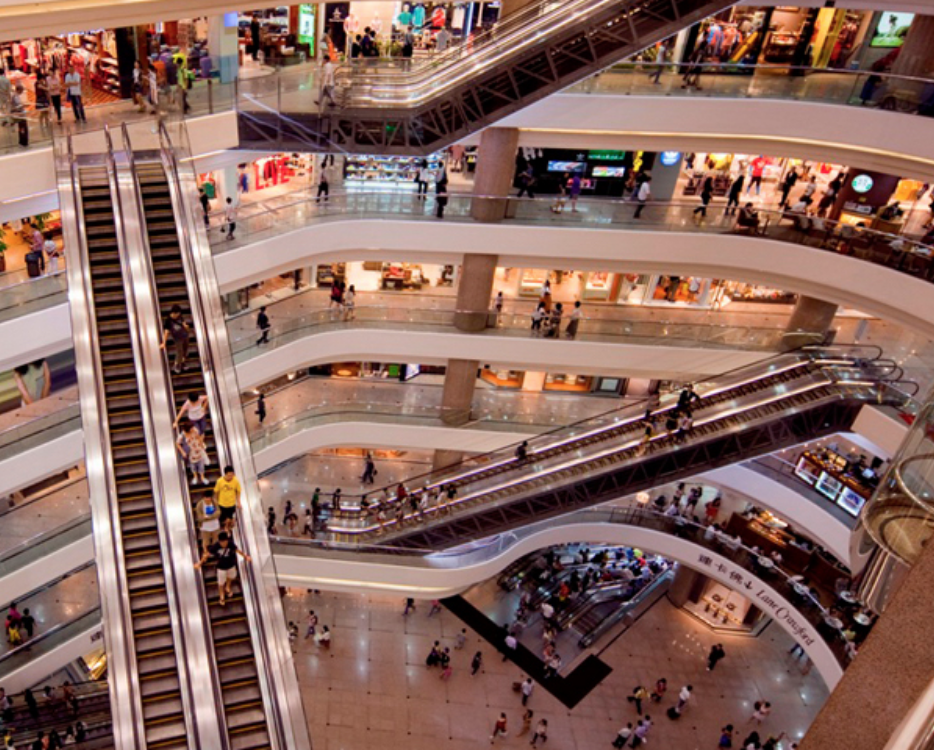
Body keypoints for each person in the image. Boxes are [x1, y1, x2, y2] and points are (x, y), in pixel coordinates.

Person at [195, 531, 251, 606]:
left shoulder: (231, 544)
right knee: (221, 583)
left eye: (224, 542)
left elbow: (237, 550)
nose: (223, 544)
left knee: (231, 576)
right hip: (221, 567)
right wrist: (200, 563)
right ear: (219, 541)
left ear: (227, 540)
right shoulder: (216, 546)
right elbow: (206, 555)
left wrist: (245, 556)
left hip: (231, 565)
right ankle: (222, 595)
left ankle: (227, 587)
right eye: (222, 542)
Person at [176, 420, 209, 485]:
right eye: (191, 428)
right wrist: (182, 452)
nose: (193, 429)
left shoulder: (195, 430)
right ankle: (195, 477)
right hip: (190, 452)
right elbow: (177, 443)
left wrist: (201, 443)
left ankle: (202, 477)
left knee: (201, 465)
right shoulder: (182, 435)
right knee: (193, 466)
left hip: (198, 449)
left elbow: (200, 437)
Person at [161, 304, 190, 374]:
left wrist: (185, 326)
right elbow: (166, 332)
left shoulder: (179, 316)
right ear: (173, 313)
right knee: (179, 352)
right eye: (177, 314)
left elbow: (183, 322)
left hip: (185, 335)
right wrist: (164, 343)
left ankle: (183, 363)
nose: (178, 315)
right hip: (177, 338)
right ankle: (177, 365)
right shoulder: (168, 321)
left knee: (185, 351)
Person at [214, 465, 242, 530]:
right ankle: (225, 527)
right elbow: (216, 492)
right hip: (222, 504)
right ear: (225, 474)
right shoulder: (219, 481)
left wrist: (239, 502)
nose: (231, 477)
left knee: (229, 518)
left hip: (231, 504)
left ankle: (227, 528)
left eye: (232, 475)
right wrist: (216, 502)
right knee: (224, 519)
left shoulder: (235, 481)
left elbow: (238, 491)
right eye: (229, 475)